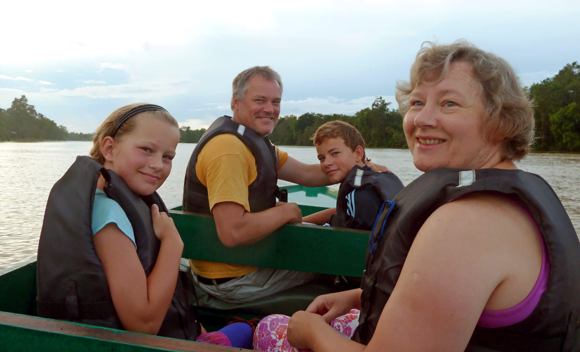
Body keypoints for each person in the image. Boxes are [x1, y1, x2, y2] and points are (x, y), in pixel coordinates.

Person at [253, 41, 580, 352]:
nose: (422, 119)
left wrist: (311, 330)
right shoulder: (510, 193)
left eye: (449, 103)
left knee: (272, 328)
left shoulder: (469, 223)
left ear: (501, 122)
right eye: (417, 102)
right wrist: (357, 296)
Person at [36, 103, 254, 348]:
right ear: (109, 148)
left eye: (167, 157)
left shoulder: (104, 201)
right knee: (258, 329)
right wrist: (173, 242)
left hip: (165, 338)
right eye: (146, 149)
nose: (158, 165)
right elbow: (144, 323)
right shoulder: (109, 216)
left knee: (242, 329)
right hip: (140, 344)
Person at [183, 66, 388, 304]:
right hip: (233, 280)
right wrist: (287, 212)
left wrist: (360, 167)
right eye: (260, 100)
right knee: (344, 259)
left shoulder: (253, 142)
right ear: (235, 101)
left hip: (249, 262)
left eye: (275, 102)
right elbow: (232, 231)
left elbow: (308, 174)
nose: (270, 109)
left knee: (329, 245)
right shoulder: (229, 150)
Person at [302, 121, 403, 229]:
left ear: (358, 153)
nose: (326, 163)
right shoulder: (379, 177)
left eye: (335, 153)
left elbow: (354, 240)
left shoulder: (358, 194)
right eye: (322, 158)